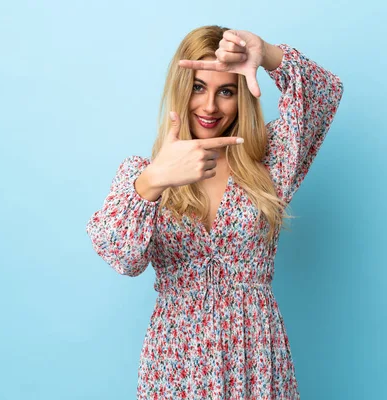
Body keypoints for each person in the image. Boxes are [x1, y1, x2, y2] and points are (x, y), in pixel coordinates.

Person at [86, 25, 344, 399]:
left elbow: (325, 94)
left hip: (255, 356)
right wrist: (154, 180)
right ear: (180, 90)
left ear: (242, 97)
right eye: (197, 87)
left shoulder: (269, 161)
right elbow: (121, 257)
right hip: (177, 362)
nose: (209, 107)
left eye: (225, 91)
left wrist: (267, 53)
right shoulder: (141, 174)